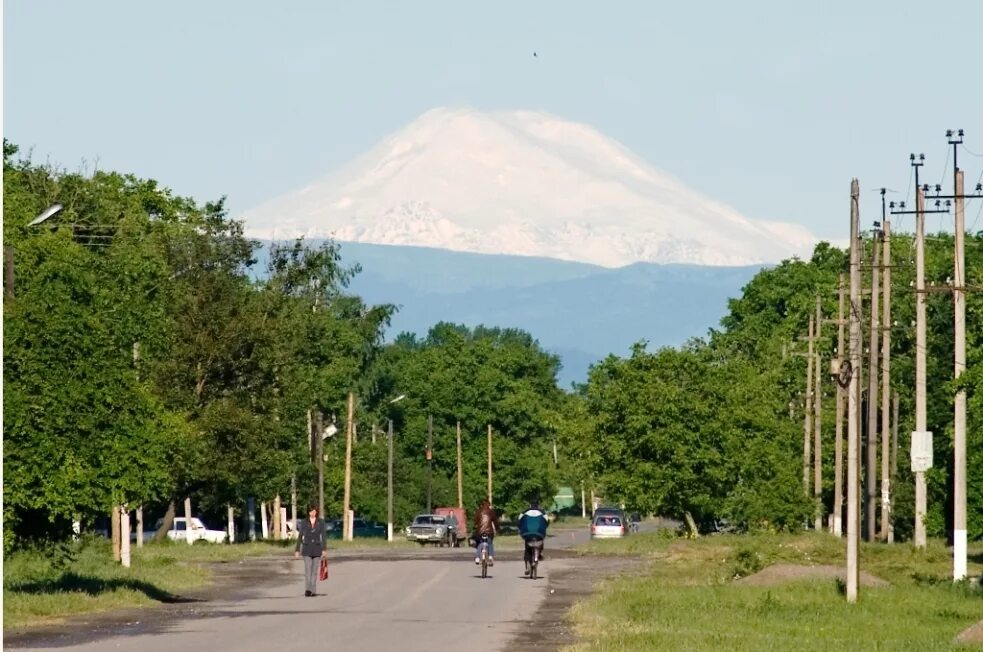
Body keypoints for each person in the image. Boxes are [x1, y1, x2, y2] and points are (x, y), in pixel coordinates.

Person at [294, 504, 327, 597]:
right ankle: (308, 590)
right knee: (308, 570)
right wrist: (297, 550)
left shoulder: (321, 522)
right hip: (306, 549)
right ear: (308, 512)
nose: (312, 513)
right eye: (311, 511)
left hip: (317, 549)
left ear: (316, 512)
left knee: (314, 571)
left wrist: (324, 549)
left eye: (314, 511)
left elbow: (323, 536)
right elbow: (300, 536)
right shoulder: (304, 522)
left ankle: (313, 590)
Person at [518, 499, 549, 576]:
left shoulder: (524, 512)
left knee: (527, 549)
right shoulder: (542, 512)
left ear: (530, 505)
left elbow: (518, 522)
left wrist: (521, 529)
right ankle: (539, 554)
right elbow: (547, 522)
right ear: (538, 505)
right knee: (541, 542)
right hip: (539, 533)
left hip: (527, 533)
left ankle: (527, 567)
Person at [472, 499, 498, 565]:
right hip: (489, 532)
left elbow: (475, 522)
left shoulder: (478, 512)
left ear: (481, 505)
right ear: (488, 505)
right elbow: (495, 521)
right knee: (490, 543)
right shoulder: (491, 512)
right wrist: (497, 528)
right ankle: (490, 557)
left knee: (479, 543)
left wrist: (475, 527)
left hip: (480, 532)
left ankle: (477, 558)